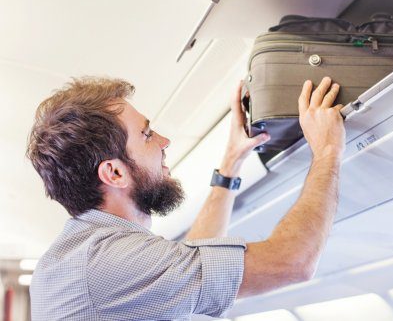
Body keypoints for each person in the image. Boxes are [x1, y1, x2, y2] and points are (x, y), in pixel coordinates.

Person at [26, 76, 345, 320]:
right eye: (146, 135)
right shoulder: (108, 262)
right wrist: (328, 149)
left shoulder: (86, 252)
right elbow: (292, 262)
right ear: (115, 174)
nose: (164, 141)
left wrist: (231, 164)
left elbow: (188, 262)